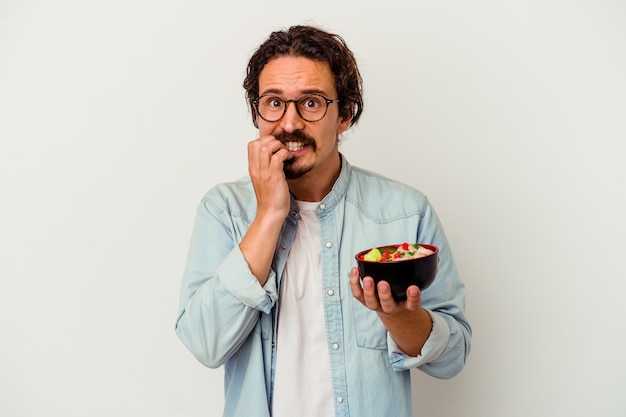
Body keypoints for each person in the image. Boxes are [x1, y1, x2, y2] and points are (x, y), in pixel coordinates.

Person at [175, 25, 471, 417]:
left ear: (345, 114)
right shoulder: (223, 210)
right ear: (256, 112)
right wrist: (269, 215)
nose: (290, 123)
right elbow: (205, 345)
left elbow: (452, 359)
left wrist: (401, 318)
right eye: (274, 102)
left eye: (311, 103)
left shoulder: (406, 212)